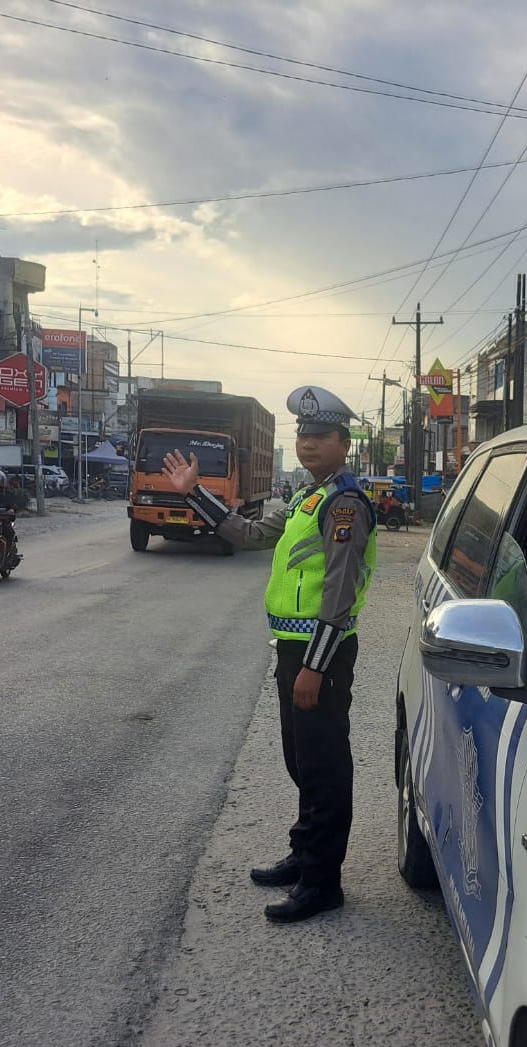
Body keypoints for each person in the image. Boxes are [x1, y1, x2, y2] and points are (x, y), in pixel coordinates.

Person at [164, 385, 377, 923]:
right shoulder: (310, 498)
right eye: (303, 435)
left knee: (324, 766)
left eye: (320, 436)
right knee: (300, 759)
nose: (308, 444)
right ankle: (305, 855)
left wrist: (314, 667)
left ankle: (323, 882)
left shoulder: (345, 504)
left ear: (343, 443)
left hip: (319, 655)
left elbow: (339, 595)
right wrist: (195, 494)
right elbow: (252, 534)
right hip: (294, 651)